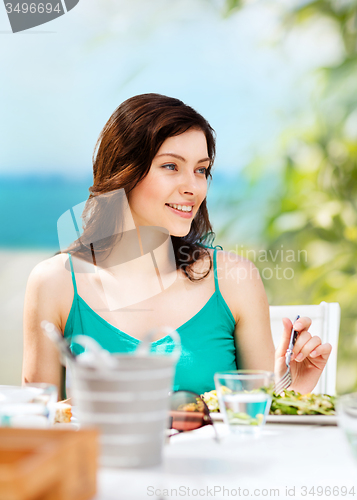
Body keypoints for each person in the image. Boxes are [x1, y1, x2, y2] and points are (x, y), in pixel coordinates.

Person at [22, 93, 332, 401]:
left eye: (201, 170)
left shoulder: (235, 280)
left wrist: (291, 389)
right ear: (123, 171)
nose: (192, 187)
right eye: (171, 166)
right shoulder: (55, 283)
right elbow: (35, 430)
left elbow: (255, 423)